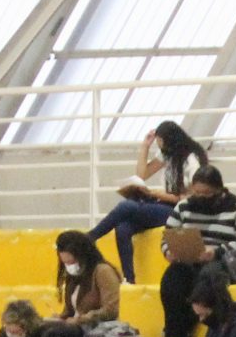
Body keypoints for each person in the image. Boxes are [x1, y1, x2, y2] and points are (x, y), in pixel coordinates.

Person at [89, 121, 207, 282]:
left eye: (161, 143)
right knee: (122, 228)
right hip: (162, 203)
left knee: (127, 206)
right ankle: (129, 279)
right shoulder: (168, 155)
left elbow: (194, 196)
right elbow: (141, 175)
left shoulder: (191, 160)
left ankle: (91, 237)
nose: (160, 147)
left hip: (177, 209)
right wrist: (145, 147)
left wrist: (160, 194)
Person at [160, 167, 236, 337]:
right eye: (197, 193)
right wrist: (169, 252)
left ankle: (212, 336)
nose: (201, 197)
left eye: (207, 194)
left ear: (219, 190)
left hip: (222, 261)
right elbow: (167, 236)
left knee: (208, 279)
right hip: (187, 260)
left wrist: (216, 251)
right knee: (171, 279)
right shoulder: (183, 206)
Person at [40, 230, 125, 337]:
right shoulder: (75, 276)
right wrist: (59, 318)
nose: (69, 266)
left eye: (72, 262)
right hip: (75, 326)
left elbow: (111, 309)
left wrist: (81, 319)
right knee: (36, 329)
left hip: (94, 327)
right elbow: (70, 311)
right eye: (66, 263)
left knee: (53, 335)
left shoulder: (102, 271)